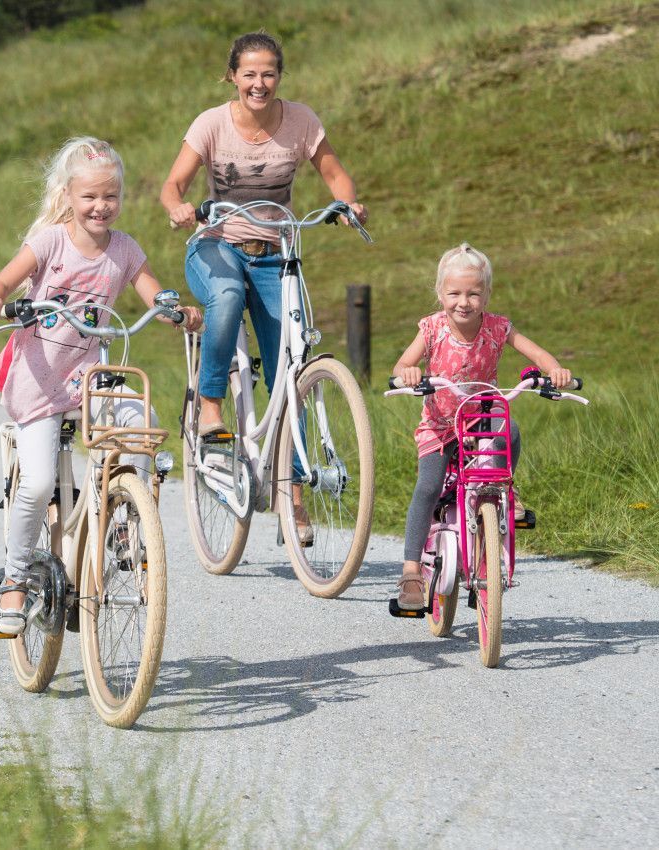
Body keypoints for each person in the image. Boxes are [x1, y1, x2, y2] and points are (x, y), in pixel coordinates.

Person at [0, 136, 202, 635]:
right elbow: (3, 281)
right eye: (90, 197)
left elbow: (152, 292)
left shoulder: (124, 248)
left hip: (92, 381)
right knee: (35, 485)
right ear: (69, 196)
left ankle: (125, 520)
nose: (101, 206)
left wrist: (174, 309)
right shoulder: (50, 242)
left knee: (142, 425)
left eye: (111, 197)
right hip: (40, 383)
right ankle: (14, 580)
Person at [159, 30, 367, 543]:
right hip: (217, 247)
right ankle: (211, 408)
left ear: (280, 75)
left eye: (268, 72)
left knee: (289, 371)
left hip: (276, 254)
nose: (259, 83)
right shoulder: (211, 124)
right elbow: (172, 185)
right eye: (249, 73)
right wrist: (178, 207)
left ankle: (292, 498)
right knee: (226, 298)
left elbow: (335, 173)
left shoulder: (301, 121)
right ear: (232, 75)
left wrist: (348, 203)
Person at [391, 243, 573, 610]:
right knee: (427, 487)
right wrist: (408, 373)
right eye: (454, 293)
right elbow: (401, 367)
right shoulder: (431, 329)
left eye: (474, 293)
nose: (464, 301)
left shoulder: (498, 327)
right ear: (440, 293)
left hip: (482, 417)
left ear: (487, 294)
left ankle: (507, 491)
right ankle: (411, 570)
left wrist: (555, 369)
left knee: (512, 429)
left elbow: (535, 352)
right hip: (441, 425)